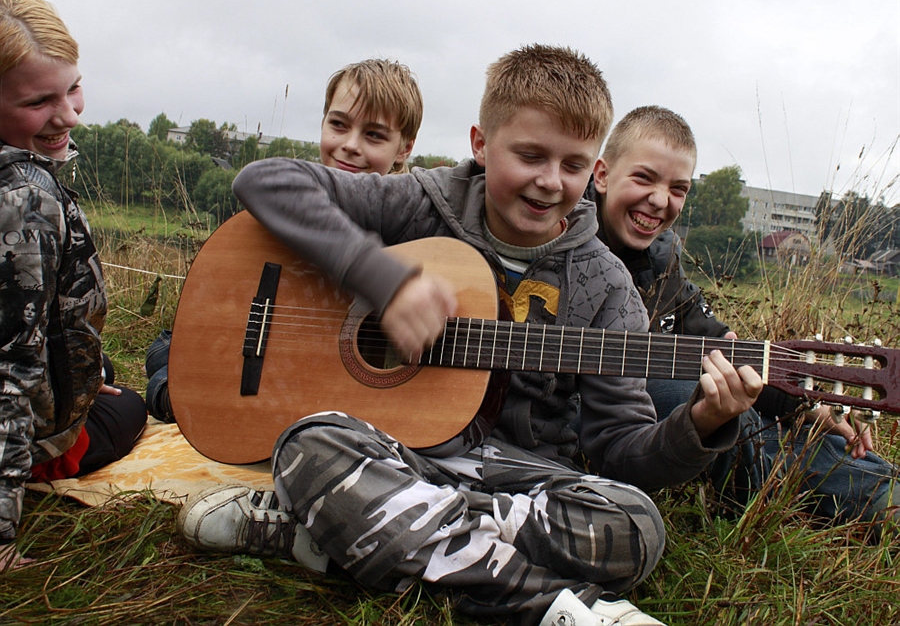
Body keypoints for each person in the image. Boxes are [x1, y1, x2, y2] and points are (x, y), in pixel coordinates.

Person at [176, 44, 763, 626]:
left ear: (595, 169)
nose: (550, 182)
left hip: (503, 475)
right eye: (530, 155)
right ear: (481, 144)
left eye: (574, 166)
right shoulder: (426, 204)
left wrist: (700, 426)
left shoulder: (606, 286)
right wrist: (382, 280)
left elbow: (621, 450)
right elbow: (266, 181)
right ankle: (552, 606)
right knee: (311, 440)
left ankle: (332, 531)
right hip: (382, 447)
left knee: (635, 525)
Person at [589, 104, 898, 524]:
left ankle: (878, 491)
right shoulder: (556, 233)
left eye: (678, 188)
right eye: (643, 178)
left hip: (629, 427)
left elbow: (724, 348)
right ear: (601, 174)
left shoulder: (661, 262)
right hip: (580, 421)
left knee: (727, 389)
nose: (660, 200)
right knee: (683, 392)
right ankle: (845, 497)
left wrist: (806, 404)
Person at [144, 58, 424, 423]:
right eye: (338, 125)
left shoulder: (411, 219)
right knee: (166, 352)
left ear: (404, 148)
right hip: (261, 339)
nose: (350, 145)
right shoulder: (300, 195)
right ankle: (176, 393)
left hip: (311, 373)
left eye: (374, 135)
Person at [0, 0, 147, 571]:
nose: (68, 114)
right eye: (39, 101)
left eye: (72, 88)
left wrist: (85, 371)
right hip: (27, 440)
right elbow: (9, 367)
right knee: (130, 407)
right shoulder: (26, 201)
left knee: (107, 379)